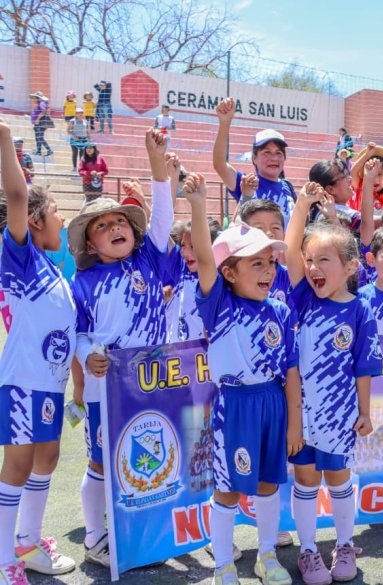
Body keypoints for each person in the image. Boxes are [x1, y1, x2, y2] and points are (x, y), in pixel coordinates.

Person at [183, 173, 298, 585]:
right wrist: (199, 205)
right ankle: (224, 566)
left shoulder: (280, 311)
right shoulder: (218, 305)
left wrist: (295, 423)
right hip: (234, 405)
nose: (268, 271)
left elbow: (291, 371)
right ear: (229, 273)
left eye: (271, 262)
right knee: (228, 489)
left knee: (268, 484)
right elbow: (205, 258)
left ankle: (266, 556)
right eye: (256, 263)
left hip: (273, 403)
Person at [69, 129, 176, 568]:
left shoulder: (148, 259)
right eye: (102, 225)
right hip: (106, 388)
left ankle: (144, 533)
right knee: (100, 462)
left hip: (154, 381)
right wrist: (86, 356)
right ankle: (95, 537)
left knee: (152, 453)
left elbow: (164, 218)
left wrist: (156, 162)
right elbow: (77, 334)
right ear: (89, 244)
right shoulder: (82, 283)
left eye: (121, 222)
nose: (115, 227)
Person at [284, 182, 382, 584]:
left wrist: (364, 411)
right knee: (306, 479)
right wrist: (301, 205)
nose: (313, 268)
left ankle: (344, 544)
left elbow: (363, 367)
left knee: (339, 478)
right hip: (300, 413)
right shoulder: (303, 298)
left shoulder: (360, 310)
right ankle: (308, 550)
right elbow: (288, 251)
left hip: (340, 413)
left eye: (324, 259)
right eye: (309, 260)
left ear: (351, 267)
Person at [0, 120, 76, 582]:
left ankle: (27, 543)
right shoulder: (22, 259)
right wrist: (5, 139)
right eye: (57, 213)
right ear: (34, 220)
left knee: (47, 458)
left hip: (50, 385)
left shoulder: (53, 270)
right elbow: (16, 195)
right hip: (25, 382)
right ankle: (4, 559)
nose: (63, 221)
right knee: (19, 464)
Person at [212, 98, 296, 227]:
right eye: (267, 152)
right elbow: (220, 164)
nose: (274, 158)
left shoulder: (288, 187)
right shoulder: (246, 183)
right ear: (254, 158)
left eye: (278, 153)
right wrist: (225, 122)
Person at [350, 143, 383, 212]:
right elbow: (353, 172)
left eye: (380, 174)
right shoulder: (361, 185)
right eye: (372, 173)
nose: (375, 179)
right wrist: (367, 155)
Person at [29, 92, 52, 158]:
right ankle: (38, 151)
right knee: (37, 138)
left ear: (38, 98)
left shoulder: (42, 103)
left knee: (40, 138)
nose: (33, 99)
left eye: (35, 98)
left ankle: (49, 150)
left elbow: (43, 111)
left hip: (40, 123)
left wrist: (37, 119)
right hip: (37, 124)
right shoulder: (39, 104)